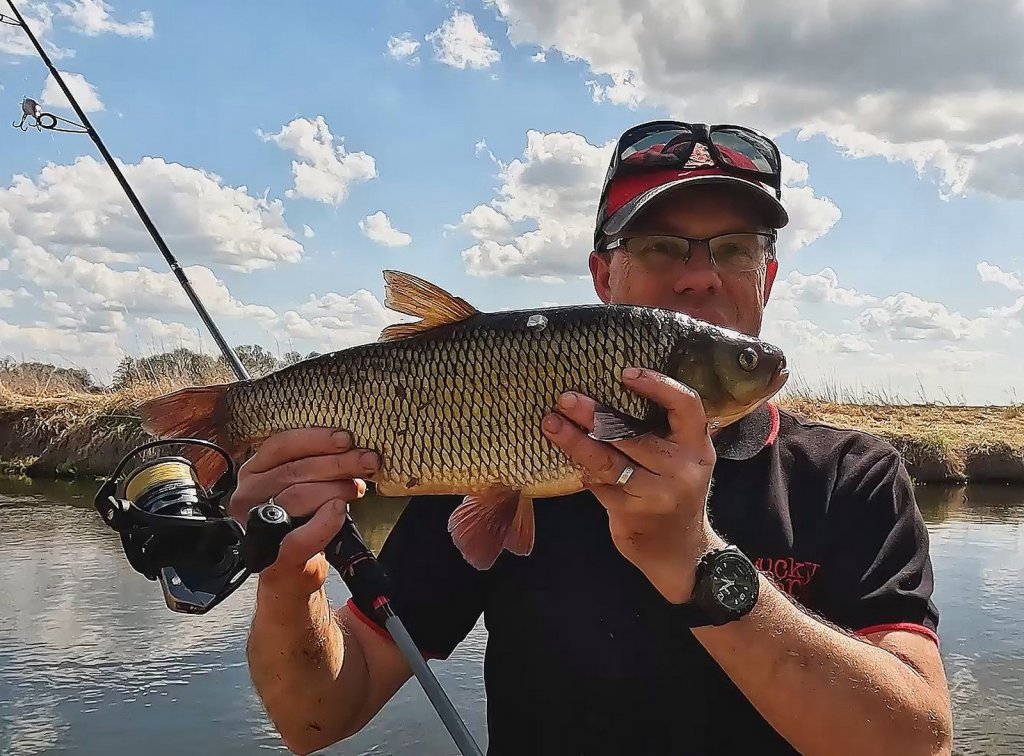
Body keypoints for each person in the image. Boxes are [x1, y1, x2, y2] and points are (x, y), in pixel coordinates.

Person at [232, 121, 953, 755]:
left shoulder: (851, 478)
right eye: (664, 247)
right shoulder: (496, 455)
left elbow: (918, 745)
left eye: (733, 249)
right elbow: (316, 718)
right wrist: (290, 574)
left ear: (765, 276)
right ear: (605, 276)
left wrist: (696, 563)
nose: (700, 276)